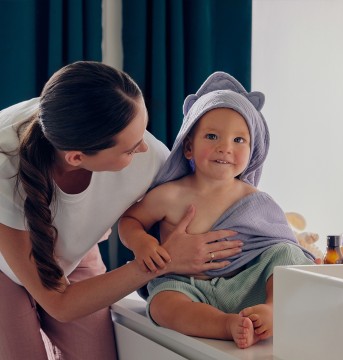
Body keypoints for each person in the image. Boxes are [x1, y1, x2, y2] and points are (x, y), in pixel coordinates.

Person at [0, 62, 243, 360]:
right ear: (77, 157)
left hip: (74, 247)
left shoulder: (151, 155)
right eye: (129, 149)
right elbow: (60, 304)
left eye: (143, 132)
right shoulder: (5, 170)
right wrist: (161, 262)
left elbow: (203, 204)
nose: (143, 149)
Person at [119, 71, 316, 349]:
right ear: (188, 146)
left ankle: (272, 309)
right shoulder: (170, 194)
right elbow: (130, 220)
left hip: (246, 284)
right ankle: (225, 325)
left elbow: (280, 245)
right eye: (212, 136)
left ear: (253, 152)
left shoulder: (256, 199)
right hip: (187, 287)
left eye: (239, 140)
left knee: (287, 253)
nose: (225, 148)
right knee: (162, 305)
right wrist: (142, 243)